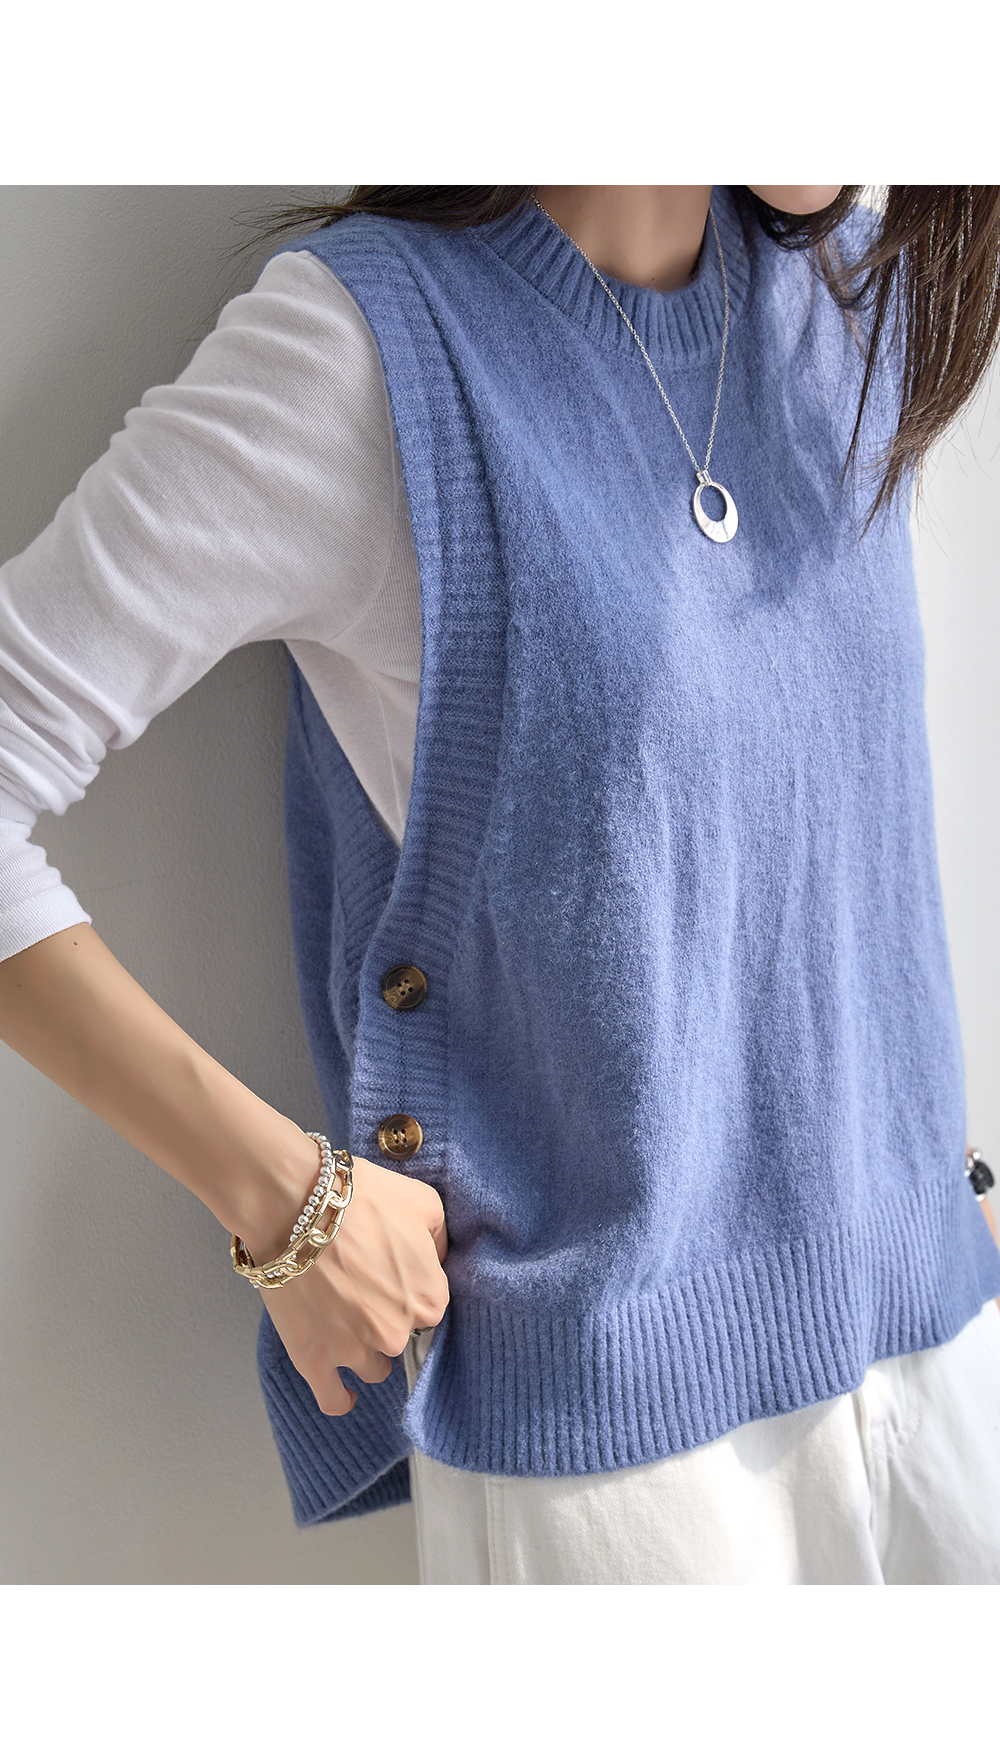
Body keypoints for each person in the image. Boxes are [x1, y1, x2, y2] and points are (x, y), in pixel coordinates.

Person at [2, 184, 1000, 1585]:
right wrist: (279, 1195)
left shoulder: (850, 281)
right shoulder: (366, 356)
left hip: (942, 1337)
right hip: (629, 1463)